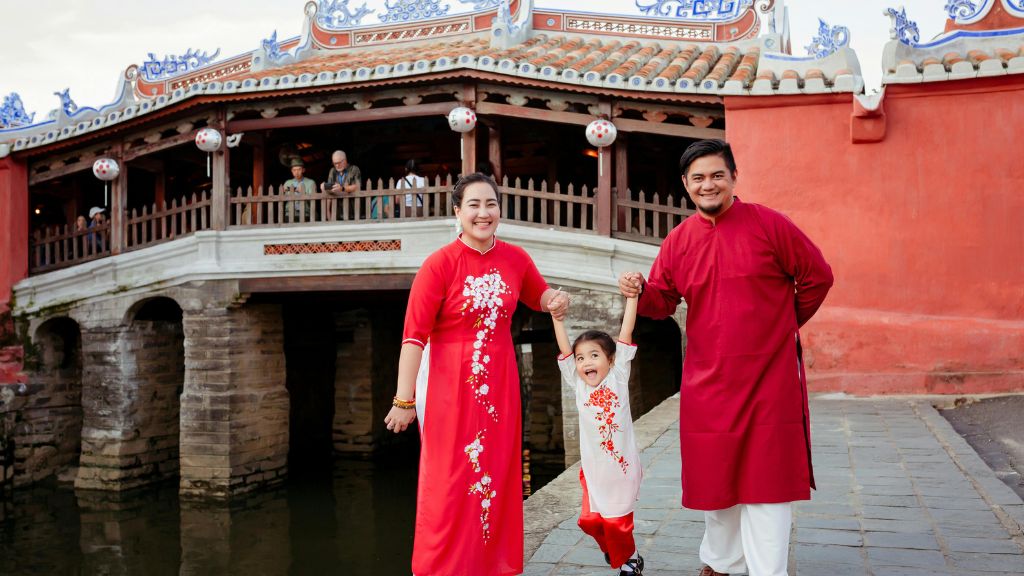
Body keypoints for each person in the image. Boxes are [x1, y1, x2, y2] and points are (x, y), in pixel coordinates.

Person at [619, 139, 833, 576]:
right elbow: (663, 301)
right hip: (707, 381)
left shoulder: (770, 225)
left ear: (734, 177)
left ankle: (767, 571)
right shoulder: (679, 241)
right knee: (716, 481)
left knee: (768, 485)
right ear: (685, 184)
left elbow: (817, 277)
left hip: (770, 379)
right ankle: (720, 563)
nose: (708, 184)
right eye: (697, 178)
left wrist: (783, 325)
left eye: (717, 175)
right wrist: (641, 292)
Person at [384, 173, 569, 575]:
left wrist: (554, 298)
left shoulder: (515, 259)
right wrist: (404, 400)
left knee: (499, 476)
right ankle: (439, 568)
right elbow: (413, 337)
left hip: (500, 387)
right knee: (449, 481)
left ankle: (494, 566)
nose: (483, 213)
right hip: (448, 387)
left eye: (490, 204)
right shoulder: (438, 265)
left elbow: (537, 295)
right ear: (457, 211)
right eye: (474, 205)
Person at [553, 294, 645, 575]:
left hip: (621, 469)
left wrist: (632, 298)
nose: (586, 363)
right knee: (589, 522)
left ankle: (629, 562)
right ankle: (621, 552)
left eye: (594, 355)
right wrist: (557, 319)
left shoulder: (618, 377)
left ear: (611, 359)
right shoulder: (578, 385)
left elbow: (626, 333)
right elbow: (565, 351)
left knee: (618, 521)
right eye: (581, 358)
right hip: (593, 472)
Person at [321, 150, 364, 219]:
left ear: (345, 160)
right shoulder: (332, 171)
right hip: (337, 212)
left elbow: (357, 186)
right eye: (335, 163)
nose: (337, 165)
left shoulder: (354, 169)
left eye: (339, 162)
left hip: (353, 211)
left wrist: (343, 188)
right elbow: (330, 191)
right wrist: (324, 187)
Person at [282, 157, 317, 222]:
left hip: (306, 214)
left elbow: (313, 200)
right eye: (294, 170)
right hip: (289, 214)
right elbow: (283, 198)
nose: (296, 172)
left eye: (299, 169)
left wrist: (304, 193)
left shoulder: (311, 182)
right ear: (291, 171)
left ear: (303, 170)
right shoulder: (287, 183)